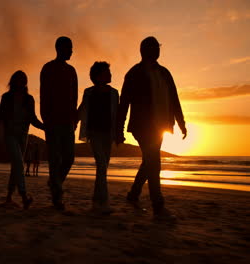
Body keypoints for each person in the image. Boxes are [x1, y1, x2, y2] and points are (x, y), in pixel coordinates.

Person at [117, 36, 187, 219]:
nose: (157, 50)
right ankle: (158, 206)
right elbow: (123, 102)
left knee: (149, 160)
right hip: (142, 126)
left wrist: (181, 122)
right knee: (154, 161)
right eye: (154, 47)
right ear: (144, 50)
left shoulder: (165, 73)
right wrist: (118, 128)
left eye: (158, 47)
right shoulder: (134, 73)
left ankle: (134, 194)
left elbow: (174, 98)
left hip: (161, 125)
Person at [40, 36, 78, 210]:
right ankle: (57, 196)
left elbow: (74, 97)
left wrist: (74, 119)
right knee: (55, 159)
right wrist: (45, 118)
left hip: (68, 121)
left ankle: (55, 183)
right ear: (59, 48)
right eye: (69, 47)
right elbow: (44, 95)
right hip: (53, 121)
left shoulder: (72, 71)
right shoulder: (48, 68)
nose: (71, 50)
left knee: (69, 157)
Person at [78, 61, 119, 215]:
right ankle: (104, 202)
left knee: (103, 168)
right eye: (107, 72)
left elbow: (118, 114)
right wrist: (74, 121)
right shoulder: (89, 92)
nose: (110, 74)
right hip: (94, 133)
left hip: (108, 134)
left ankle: (96, 201)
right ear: (98, 75)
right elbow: (83, 108)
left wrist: (119, 133)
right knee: (101, 165)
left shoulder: (114, 93)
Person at [0, 70, 44, 209]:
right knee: (19, 162)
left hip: (23, 136)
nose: (21, 82)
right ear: (13, 81)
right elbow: (1, 116)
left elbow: (33, 119)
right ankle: (24, 196)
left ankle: (8, 197)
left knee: (16, 166)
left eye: (23, 79)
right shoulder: (6, 97)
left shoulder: (29, 99)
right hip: (10, 135)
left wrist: (45, 127)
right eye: (18, 79)